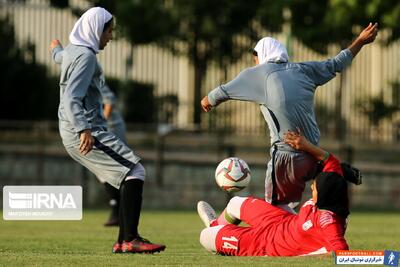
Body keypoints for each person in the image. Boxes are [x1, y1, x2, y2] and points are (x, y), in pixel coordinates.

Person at [200, 23, 376, 211]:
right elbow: (337, 64)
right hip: (313, 154)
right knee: (293, 207)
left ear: (261, 55)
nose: (255, 64)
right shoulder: (303, 70)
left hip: (286, 158)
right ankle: (334, 169)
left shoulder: (258, 74)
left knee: (273, 212)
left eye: (256, 59)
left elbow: (219, 93)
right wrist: (360, 41)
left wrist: (207, 101)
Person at [49, 7, 165, 254]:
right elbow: (71, 98)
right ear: (95, 30)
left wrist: (54, 49)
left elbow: (60, 57)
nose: (111, 36)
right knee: (135, 171)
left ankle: (125, 241)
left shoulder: (73, 51)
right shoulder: (86, 57)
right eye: (109, 30)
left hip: (72, 129)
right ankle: (130, 239)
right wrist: (84, 130)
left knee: (129, 174)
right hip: (83, 129)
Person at [197, 130, 352, 256]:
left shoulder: (328, 220)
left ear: (324, 195)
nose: (312, 188)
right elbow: (331, 161)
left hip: (267, 243)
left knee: (205, 236)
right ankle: (215, 224)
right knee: (235, 202)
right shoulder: (334, 185)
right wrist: (305, 145)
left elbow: (342, 254)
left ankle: (214, 230)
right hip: (281, 221)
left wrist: (375, 258)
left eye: (315, 188)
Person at [50, 41, 125, 227]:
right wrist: (55, 50)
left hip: (109, 128)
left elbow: (109, 102)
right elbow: (61, 57)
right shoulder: (77, 66)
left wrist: (98, 127)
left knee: (118, 172)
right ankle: (118, 210)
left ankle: (120, 212)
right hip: (92, 130)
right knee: (104, 173)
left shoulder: (89, 69)